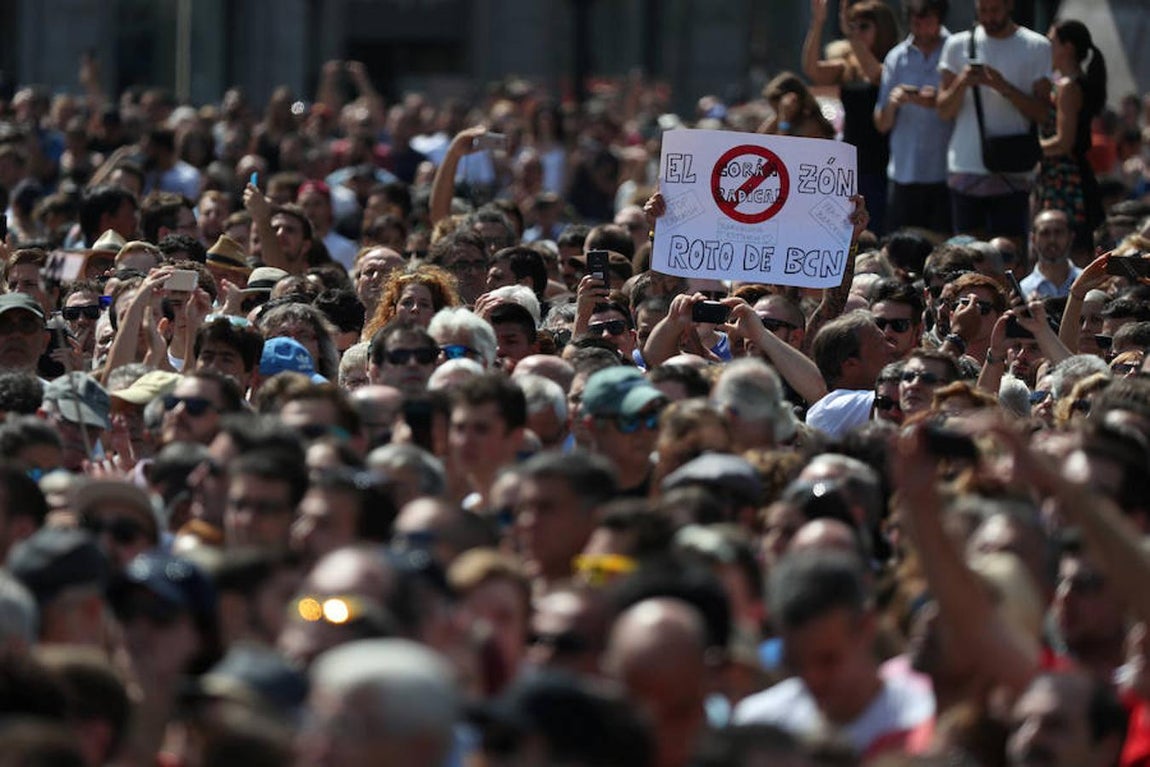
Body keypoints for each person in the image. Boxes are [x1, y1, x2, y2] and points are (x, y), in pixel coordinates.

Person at [937, 0, 1052, 239]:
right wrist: (962, 83)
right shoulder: (957, 45)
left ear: (1010, 5)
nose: (988, 17)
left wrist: (1002, 86)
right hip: (966, 167)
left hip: (1014, 170)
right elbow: (944, 111)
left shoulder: (1036, 46)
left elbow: (1043, 113)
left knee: (1009, 254)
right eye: (983, 11)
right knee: (966, 255)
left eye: (995, 10)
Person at [803, 0, 899, 233]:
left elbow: (877, 75)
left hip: (881, 157)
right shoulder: (848, 66)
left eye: (864, 26)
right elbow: (812, 70)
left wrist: (852, 38)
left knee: (875, 224)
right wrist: (818, 22)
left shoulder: (894, 62)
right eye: (853, 25)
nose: (856, 31)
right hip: (851, 157)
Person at [875, 0, 954, 233]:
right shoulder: (896, 57)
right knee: (902, 246)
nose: (919, 24)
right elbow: (881, 123)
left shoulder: (955, 50)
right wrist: (893, 102)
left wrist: (936, 101)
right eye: (914, 18)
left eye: (926, 18)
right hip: (904, 171)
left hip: (946, 171)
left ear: (939, 18)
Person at [1034, 19, 1108, 253]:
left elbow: (1064, 142)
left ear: (1068, 48)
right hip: (1058, 178)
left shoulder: (1068, 87)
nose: (1046, 47)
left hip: (1067, 182)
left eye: (1052, 41)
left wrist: (1030, 149)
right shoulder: (1062, 84)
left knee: (1069, 249)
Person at [1020, 208, 1081, 298]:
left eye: (1058, 232)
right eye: (1045, 233)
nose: (1052, 240)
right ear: (1033, 239)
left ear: (1071, 237)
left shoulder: (1086, 281)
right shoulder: (1024, 289)